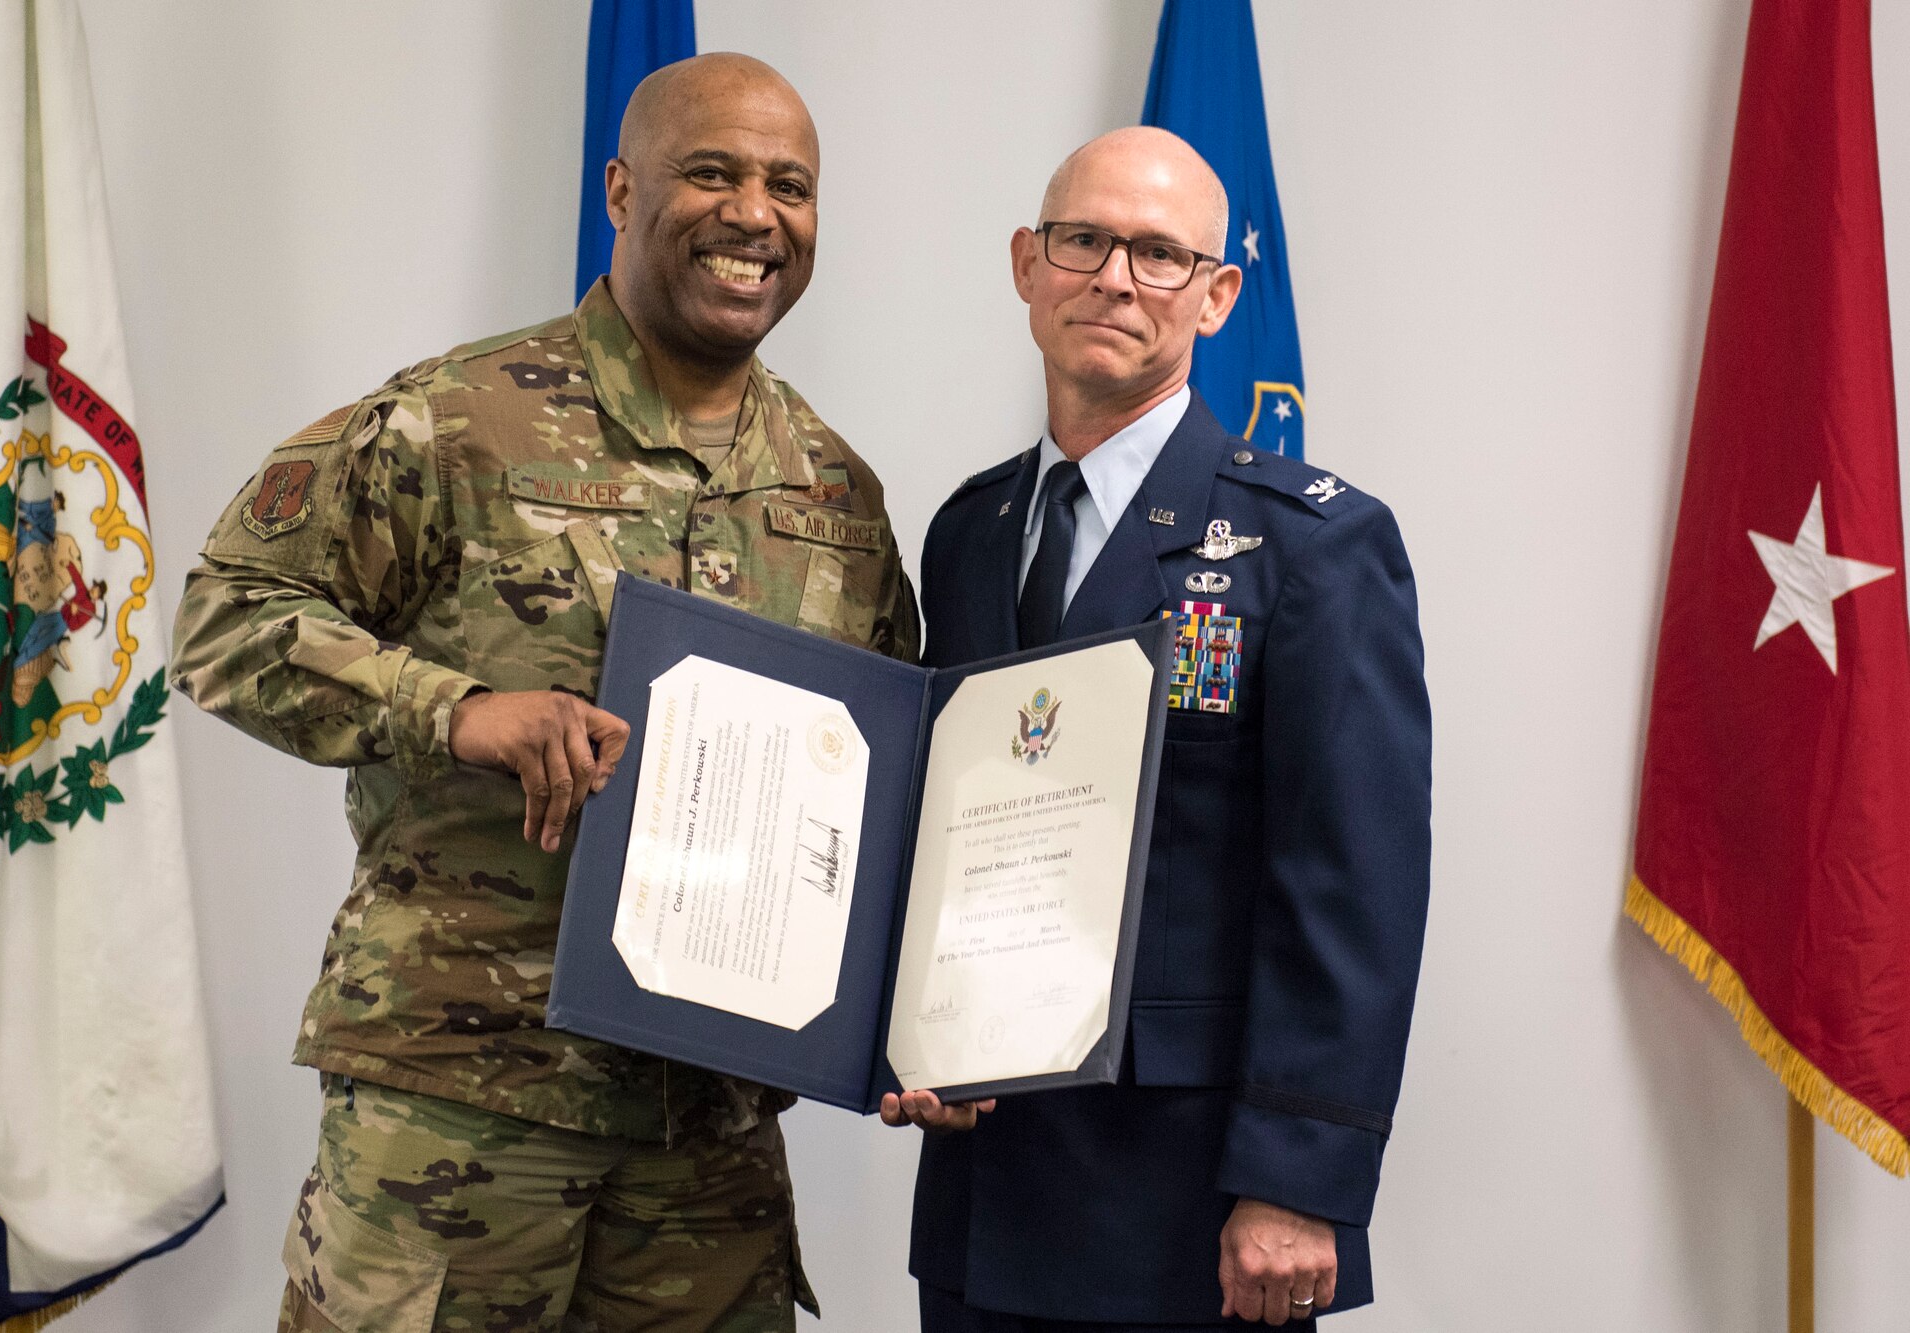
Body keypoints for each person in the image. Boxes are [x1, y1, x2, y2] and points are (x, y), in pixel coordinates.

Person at [172, 53, 917, 1333]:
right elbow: (222, 617)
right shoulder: (456, 423)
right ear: (620, 191)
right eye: (711, 172)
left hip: (709, 1136)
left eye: (788, 186)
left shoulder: (837, 499)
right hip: (460, 1106)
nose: (754, 213)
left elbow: (890, 799)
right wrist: (452, 709)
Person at [884, 127, 1430, 1329]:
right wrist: (901, 1033)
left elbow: (1349, 888)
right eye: (1082, 241)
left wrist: (1294, 1184)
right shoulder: (968, 532)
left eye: (1158, 254)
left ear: (1217, 294)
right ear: (1027, 265)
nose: (1114, 278)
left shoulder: (1310, 547)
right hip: (983, 1189)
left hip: (1188, 1209)